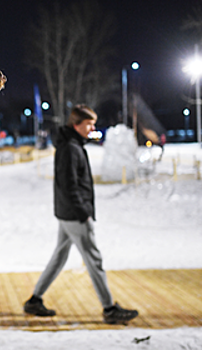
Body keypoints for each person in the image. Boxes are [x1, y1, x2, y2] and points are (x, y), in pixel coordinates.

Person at [23, 105, 139, 325]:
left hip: (67, 213)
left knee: (59, 257)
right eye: (89, 124)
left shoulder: (72, 145)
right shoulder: (70, 148)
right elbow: (69, 185)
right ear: (76, 125)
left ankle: (34, 300)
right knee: (94, 259)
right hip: (74, 215)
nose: (92, 128)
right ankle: (109, 308)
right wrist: (82, 211)